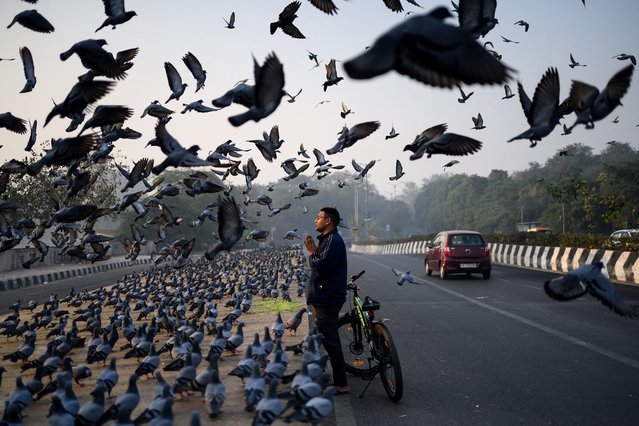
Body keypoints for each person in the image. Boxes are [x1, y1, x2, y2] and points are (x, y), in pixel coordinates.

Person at [304, 206, 349, 394]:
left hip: (327, 298)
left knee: (330, 341)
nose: (315, 220)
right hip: (324, 296)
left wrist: (312, 253)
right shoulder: (328, 240)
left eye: (318, 217)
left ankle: (341, 383)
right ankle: (331, 376)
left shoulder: (333, 240)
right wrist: (315, 251)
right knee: (326, 338)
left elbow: (321, 266)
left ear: (328, 221)